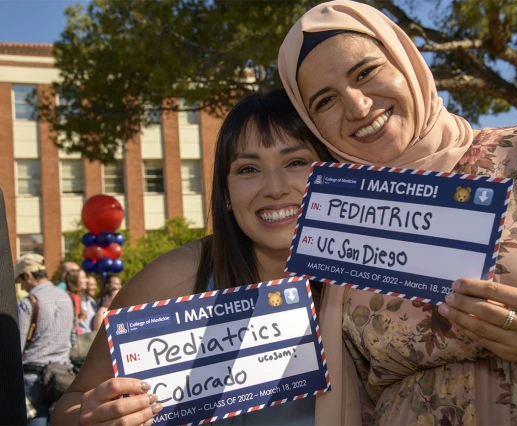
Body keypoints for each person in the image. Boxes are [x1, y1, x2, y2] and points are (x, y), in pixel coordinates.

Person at [278, 2, 517, 424]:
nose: (358, 107)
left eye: (365, 73)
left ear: (406, 62)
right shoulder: (337, 223)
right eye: (325, 100)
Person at [51, 89, 338, 425]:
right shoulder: (178, 276)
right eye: (248, 169)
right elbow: (69, 406)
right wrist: (93, 417)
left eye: (296, 162)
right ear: (226, 194)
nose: (274, 187)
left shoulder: (363, 281)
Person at [16, 253, 76, 426]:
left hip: (33, 379)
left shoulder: (29, 303)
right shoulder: (67, 298)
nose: (22, 287)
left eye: (21, 282)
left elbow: (17, 347)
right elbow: (73, 338)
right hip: (62, 376)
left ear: (28, 275)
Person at [66, 269, 96, 334]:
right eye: (83, 278)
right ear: (75, 280)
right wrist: (81, 318)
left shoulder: (77, 297)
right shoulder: (73, 298)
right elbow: (70, 322)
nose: (86, 280)